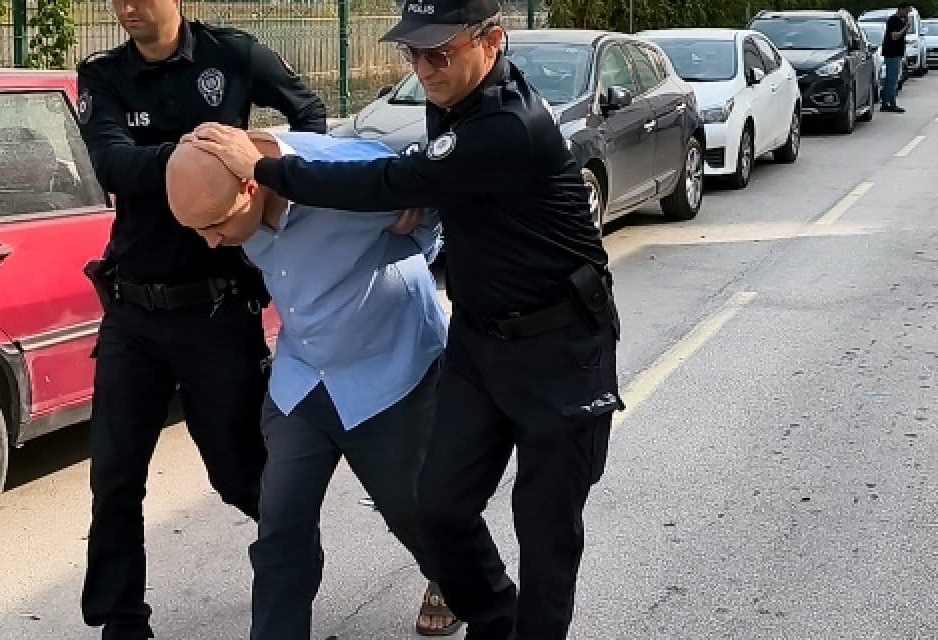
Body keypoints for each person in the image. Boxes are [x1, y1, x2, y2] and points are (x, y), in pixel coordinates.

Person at [186, 0, 622, 636]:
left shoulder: (512, 125)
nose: (424, 69)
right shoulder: (454, 99)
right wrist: (426, 194)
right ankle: (495, 617)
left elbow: (387, 182)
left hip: (559, 348)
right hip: (477, 341)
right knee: (439, 508)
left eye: (438, 52)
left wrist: (268, 168)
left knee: (546, 531)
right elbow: (428, 179)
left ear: (492, 41)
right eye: (413, 53)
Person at [73, 0, 327, 637]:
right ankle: (120, 623)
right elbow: (113, 164)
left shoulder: (231, 56)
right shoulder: (104, 75)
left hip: (217, 309)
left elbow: (310, 113)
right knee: (115, 476)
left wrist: (269, 176)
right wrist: (205, 160)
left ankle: (293, 570)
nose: (127, 7)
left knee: (241, 474)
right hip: (132, 311)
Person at [165, 131, 461, 637]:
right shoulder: (222, 185)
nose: (210, 242)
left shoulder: (343, 175)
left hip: (390, 374)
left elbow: (439, 198)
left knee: (412, 511)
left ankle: (453, 578)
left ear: (251, 188)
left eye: (215, 226)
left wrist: (417, 222)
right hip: (302, 379)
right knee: (280, 527)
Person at [882, 3, 911, 113]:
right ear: (901, 9)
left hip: (895, 53)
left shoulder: (899, 21)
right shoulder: (893, 20)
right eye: (906, 11)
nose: (907, 14)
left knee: (889, 79)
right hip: (892, 54)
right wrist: (905, 28)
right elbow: (894, 36)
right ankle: (892, 104)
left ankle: (885, 103)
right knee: (892, 80)